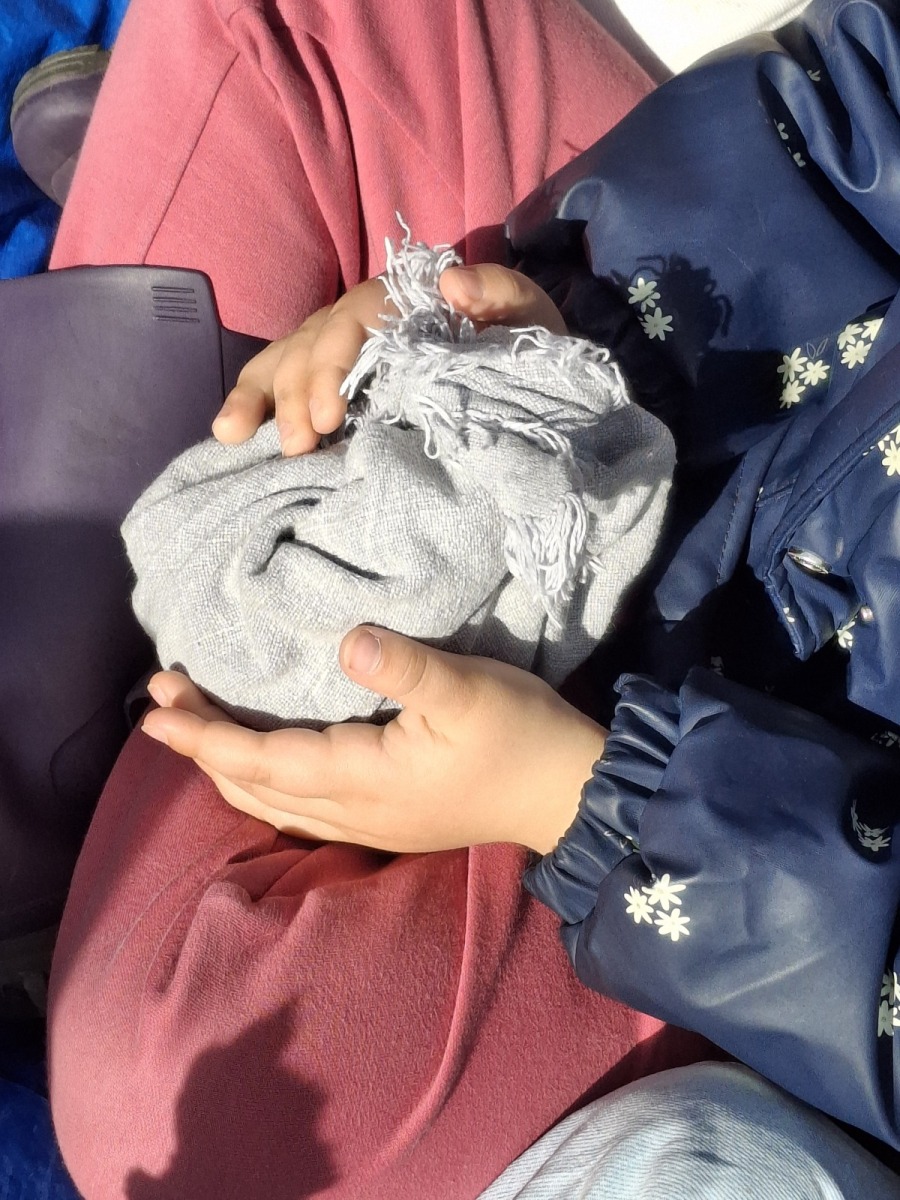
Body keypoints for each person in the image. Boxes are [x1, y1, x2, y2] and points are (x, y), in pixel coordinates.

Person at [44, 0, 900, 1196]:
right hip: (690, 354)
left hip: (708, 792)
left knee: (184, 1098)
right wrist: (544, 331)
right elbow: (851, 103)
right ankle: (54, 747)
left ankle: (59, 693)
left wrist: (582, 802)